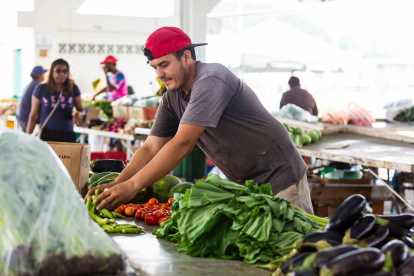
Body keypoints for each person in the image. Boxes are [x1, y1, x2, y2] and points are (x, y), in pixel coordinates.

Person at [86, 26, 314, 215]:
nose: (159, 75)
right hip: (246, 182)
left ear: (186, 56)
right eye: (155, 67)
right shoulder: (171, 98)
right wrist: (117, 185)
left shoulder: (211, 79)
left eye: (164, 65)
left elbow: (183, 143)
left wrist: (133, 186)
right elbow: (150, 147)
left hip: (280, 175)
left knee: (296, 254)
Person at [26, 58, 84, 142]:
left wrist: (78, 114)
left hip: (67, 135)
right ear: (51, 72)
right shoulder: (41, 89)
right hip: (47, 134)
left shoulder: (73, 88)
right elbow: (34, 115)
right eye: (58, 70)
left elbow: (81, 109)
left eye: (65, 71)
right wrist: (27, 137)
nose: (61, 74)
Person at [93, 55, 128, 152]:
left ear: (111, 64)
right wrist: (95, 95)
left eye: (106, 65)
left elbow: (112, 88)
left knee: (117, 131)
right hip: (112, 106)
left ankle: (119, 154)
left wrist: (105, 75)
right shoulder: (110, 76)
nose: (105, 68)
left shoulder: (120, 75)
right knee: (111, 129)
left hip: (120, 107)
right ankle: (111, 151)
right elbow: (107, 88)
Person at [16, 66, 47, 132]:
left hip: (21, 116)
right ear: (39, 75)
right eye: (43, 74)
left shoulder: (32, 83)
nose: (44, 76)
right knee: (28, 140)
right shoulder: (38, 86)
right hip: (25, 117)